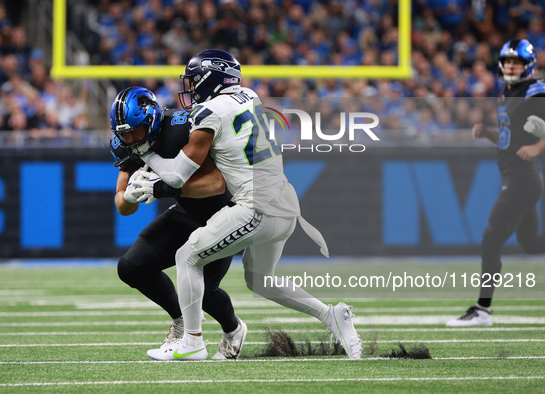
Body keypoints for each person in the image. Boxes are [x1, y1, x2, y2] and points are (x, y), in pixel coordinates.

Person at [132, 49, 362, 360]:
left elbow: (175, 178)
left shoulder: (209, 113)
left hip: (257, 207)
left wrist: (147, 154)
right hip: (287, 204)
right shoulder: (250, 96)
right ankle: (331, 315)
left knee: (186, 256)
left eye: (195, 81)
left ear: (213, 80)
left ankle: (192, 341)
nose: (191, 88)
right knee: (260, 280)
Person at [110, 86, 247, 359]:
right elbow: (122, 206)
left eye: (136, 130)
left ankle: (233, 330)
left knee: (204, 290)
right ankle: (180, 320)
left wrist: (163, 188)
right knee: (131, 267)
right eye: (124, 133)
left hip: (222, 214)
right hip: (186, 212)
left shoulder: (183, 128)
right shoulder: (126, 143)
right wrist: (131, 195)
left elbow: (216, 184)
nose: (131, 138)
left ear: (152, 120)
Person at [447, 39, 545, 327]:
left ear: (527, 64)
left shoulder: (537, 90)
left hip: (523, 178)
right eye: (506, 61)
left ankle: (482, 310)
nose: (509, 65)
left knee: (490, 238)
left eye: (515, 62)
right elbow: (511, 136)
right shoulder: (508, 91)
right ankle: (482, 310)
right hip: (517, 176)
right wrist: (488, 134)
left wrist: (539, 146)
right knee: (531, 244)